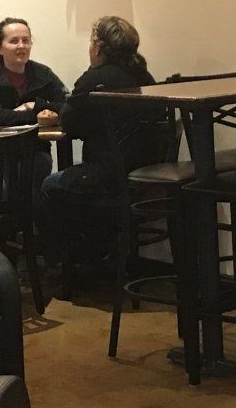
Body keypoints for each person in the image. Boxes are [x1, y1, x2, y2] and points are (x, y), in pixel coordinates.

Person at [39, 15, 157, 264]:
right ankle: (100, 252)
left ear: (99, 47)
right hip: (149, 175)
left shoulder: (96, 79)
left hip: (109, 178)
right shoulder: (144, 76)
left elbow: (70, 123)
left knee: (51, 186)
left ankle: (67, 262)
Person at [0, 16, 66, 125]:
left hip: (35, 140)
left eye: (26, 41)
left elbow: (67, 107)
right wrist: (39, 113)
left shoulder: (43, 73)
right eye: (14, 41)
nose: (21, 46)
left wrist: (35, 105)